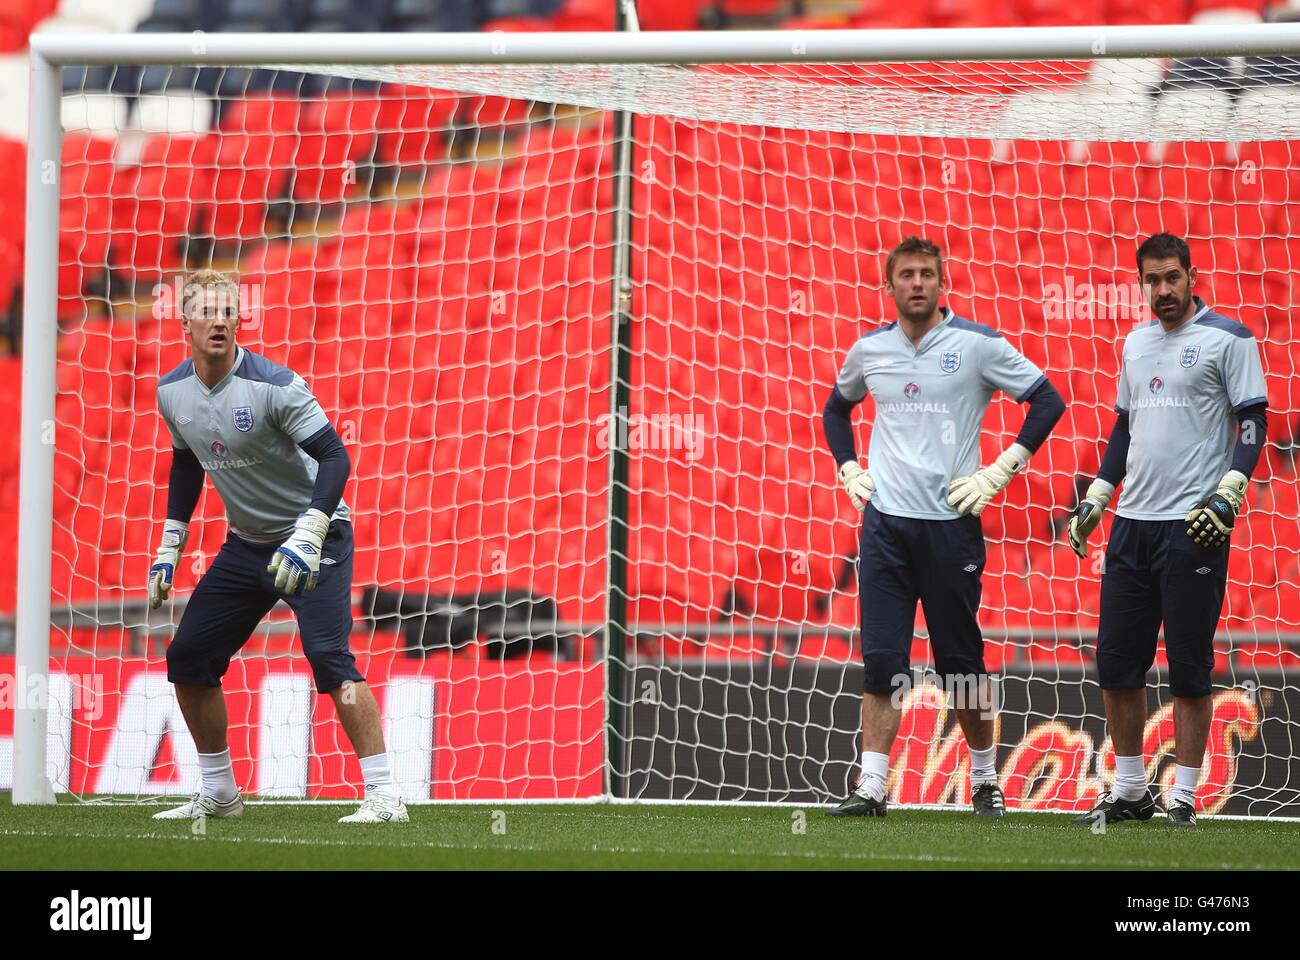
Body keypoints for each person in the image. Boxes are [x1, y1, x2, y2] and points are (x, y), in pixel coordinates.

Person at [148, 270, 408, 824]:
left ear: (240, 319)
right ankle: (220, 793)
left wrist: (311, 532)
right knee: (188, 657)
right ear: (184, 321)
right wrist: (172, 543)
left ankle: (385, 795)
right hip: (247, 545)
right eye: (207, 311)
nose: (219, 320)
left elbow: (336, 456)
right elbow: (187, 460)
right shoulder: (171, 392)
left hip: (315, 537)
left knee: (328, 658)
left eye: (228, 311)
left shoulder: (275, 385)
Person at [822, 237, 1066, 819]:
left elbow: (1048, 400)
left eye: (927, 273)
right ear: (889, 286)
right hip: (885, 527)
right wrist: (849, 466)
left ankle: (984, 778)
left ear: (942, 281)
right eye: (905, 274)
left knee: (961, 663)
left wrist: (1001, 471)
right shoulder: (870, 350)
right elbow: (836, 409)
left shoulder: (978, 346)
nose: (916, 283)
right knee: (883, 661)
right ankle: (872, 787)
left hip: (950, 527)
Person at [1068, 233, 1267, 828]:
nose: (1162, 290)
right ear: (1141, 284)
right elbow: (1124, 428)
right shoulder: (1134, 343)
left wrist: (1230, 491)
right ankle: (1129, 791)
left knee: (1186, 664)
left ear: (1191, 275)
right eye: (1151, 281)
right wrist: (1099, 496)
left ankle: (1183, 795)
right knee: (1116, 661)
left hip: (1193, 525)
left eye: (1171, 278)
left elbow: (1253, 421)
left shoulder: (1229, 339)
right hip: (1132, 526)